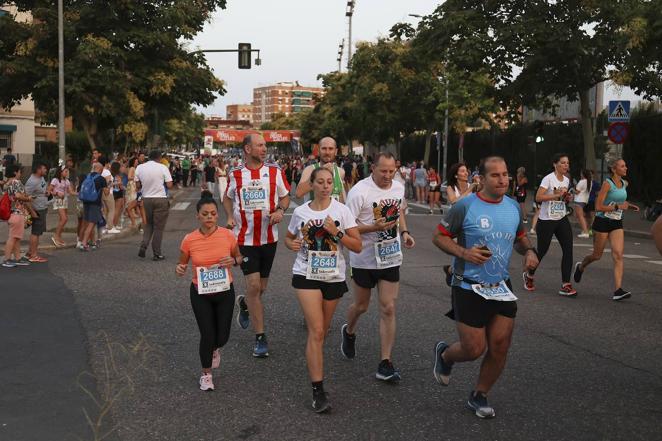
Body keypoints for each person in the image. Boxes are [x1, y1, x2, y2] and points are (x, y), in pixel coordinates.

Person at [432, 156, 539, 419]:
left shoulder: (513, 207)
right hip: (468, 285)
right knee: (474, 348)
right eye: (495, 175)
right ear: (481, 178)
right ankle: (446, 356)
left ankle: (479, 394)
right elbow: (439, 237)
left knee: (500, 345)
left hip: (500, 285)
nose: (503, 179)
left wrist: (529, 252)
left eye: (505, 174)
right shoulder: (465, 206)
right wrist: (464, 253)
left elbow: (520, 237)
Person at [285, 167, 362, 413]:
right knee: (316, 331)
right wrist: (292, 243)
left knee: (323, 331)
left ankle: (316, 360)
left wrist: (337, 232)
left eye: (329, 182)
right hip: (306, 273)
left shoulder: (342, 211)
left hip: (333, 276)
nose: (326, 186)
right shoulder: (300, 212)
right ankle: (318, 390)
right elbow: (288, 237)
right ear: (312, 185)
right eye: (321, 182)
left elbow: (357, 246)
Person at [340, 152, 416, 382]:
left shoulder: (398, 186)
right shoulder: (359, 192)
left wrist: (404, 232)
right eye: (383, 171)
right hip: (363, 258)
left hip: (390, 255)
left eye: (391, 171)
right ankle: (349, 331)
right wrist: (373, 227)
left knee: (388, 307)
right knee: (361, 306)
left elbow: (399, 209)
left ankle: (385, 362)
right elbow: (346, 228)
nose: (387, 175)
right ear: (372, 167)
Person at [223, 133, 290, 358]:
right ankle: (260, 337)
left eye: (265, 145)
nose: (264, 149)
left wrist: (280, 211)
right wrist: (229, 217)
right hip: (244, 239)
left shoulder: (275, 172)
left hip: (269, 238)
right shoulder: (235, 174)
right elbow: (227, 197)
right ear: (247, 149)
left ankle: (244, 304)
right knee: (253, 286)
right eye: (259, 145)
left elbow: (285, 197)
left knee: (260, 289)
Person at [176, 191, 242, 391]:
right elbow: (182, 263)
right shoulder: (189, 239)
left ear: (217, 215)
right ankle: (206, 374)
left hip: (224, 291)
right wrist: (180, 269)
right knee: (207, 334)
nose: (209, 218)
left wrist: (234, 261)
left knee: (222, 337)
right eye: (205, 214)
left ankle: (215, 348)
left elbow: (239, 258)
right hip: (200, 292)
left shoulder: (227, 235)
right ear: (198, 216)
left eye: (213, 214)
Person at [573, 158, 640, 301]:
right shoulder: (607, 184)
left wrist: (630, 206)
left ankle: (618, 290)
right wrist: (617, 207)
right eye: (623, 166)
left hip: (616, 222)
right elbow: (598, 206)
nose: (626, 168)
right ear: (614, 169)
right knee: (597, 255)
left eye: (625, 165)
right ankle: (581, 266)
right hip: (602, 222)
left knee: (618, 255)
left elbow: (620, 201)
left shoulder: (624, 183)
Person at [523, 153, 576, 296]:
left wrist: (566, 198)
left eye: (567, 163)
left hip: (561, 217)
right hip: (546, 220)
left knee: (568, 249)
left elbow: (562, 200)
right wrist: (556, 195)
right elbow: (538, 197)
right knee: (542, 251)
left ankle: (566, 284)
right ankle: (529, 275)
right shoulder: (548, 178)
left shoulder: (566, 180)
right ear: (555, 164)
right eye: (563, 163)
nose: (566, 165)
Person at [135, 150, 173, 260]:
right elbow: (169, 185)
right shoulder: (162, 167)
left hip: (146, 199)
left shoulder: (140, 168)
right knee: (158, 227)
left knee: (149, 224)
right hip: (160, 199)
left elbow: (137, 185)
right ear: (159, 158)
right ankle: (157, 253)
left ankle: (144, 245)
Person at [296, 137, 345, 203]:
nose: (327, 152)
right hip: (313, 212)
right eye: (324, 148)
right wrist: (320, 172)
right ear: (318, 151)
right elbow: (298, 194)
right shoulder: (310, 170)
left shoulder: (340, 172)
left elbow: (340, 196)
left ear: (335, 151)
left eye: (331, 149)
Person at [2, 164, 32, 267]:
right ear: (15, 172)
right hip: (17, 213)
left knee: (16, 237)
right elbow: (18, 195)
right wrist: (28, 198)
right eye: (20, 172)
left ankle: (18, 258)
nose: (21, 174)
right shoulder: (16, 182)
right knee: (12, 238)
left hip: (12, 213)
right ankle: (7, 259)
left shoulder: (8, 183)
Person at [24, 161, 51, 263]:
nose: (46, 170)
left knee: (38, 232)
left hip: (42, 207)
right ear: (39, 169)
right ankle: (34, 255)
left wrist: (47, 192)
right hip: (37, 210)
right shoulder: (32, 181)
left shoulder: (41, 178)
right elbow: (25, 197)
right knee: (35, 232)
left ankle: (30, 252)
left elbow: (42, 189)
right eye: (44, 168)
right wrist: (32, 212)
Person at [79, 162, 109, 251]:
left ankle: (88, 241)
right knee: (92, 223)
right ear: (101, 169)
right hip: (95, 203)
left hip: (85, 201)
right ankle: (84, 243)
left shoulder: (87, 176)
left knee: (86, 222)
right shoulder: (101, 179)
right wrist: (109, 184)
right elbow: (106, 193)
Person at [48, 166, 72, 247]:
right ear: (61, 172)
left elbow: (71, 191)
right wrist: (57, 193)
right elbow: (49, 190)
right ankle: (55, 236)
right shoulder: (55, 180)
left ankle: (59, 237)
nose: (67, 173)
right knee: (64, 219)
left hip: (65, 200)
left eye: (67, 171)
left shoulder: (67, 181)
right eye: (65, 171)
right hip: (58, 200)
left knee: (63, 219)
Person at [573, 169, 592, 238]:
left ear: (583, 174)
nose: (580, 175)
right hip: (584, 200)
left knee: (580, 216)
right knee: (581, 216)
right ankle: (585, 230)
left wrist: (573, 189)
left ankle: (585, 231)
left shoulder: (582, 181)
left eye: (581, 173)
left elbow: (577, 192)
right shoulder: (590, 181)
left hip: (579, 200)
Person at [110, 161, 126, 232]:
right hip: (118, 193)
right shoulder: (118, 176)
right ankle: (114, 225)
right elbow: (121, 186)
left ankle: (110, 225)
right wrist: (124, 187)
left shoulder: (110, 175)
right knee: (117, 210)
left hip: (112, 192)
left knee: (111, 210)